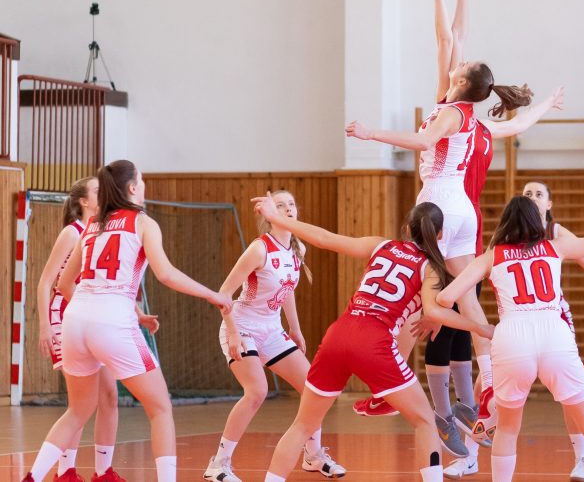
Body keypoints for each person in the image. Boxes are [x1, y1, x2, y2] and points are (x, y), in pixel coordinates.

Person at [345, 0, 562, 459]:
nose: (454, 59)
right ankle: (488, 389)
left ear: (462, 83)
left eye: (459, 67)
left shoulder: (451, 113)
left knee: (407, 293)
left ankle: (387, 387)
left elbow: (424, 143)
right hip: (466, 211)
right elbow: (455, 41)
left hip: (438, 204)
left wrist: (370, 132)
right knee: (466, 300)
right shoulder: (483, 122)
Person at [254, 197, 494, 482]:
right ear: (440, 235)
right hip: (374, 342)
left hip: (338, 335)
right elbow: (434, 310)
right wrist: (480, 328)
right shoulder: (430, 267)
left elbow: (323, 238)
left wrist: (276, 218)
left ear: (406, 228)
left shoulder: (382, 245)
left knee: (303, 425)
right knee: (424, 421)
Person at [21, 160, 232, 482]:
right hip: (112, 322)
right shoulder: (142, 222)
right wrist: (213, 295)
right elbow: (166, 274)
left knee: (78, 410)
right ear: (132, 187)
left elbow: (63, 282)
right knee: (160, 408)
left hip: (75, 320)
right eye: (142, 180)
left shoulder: (93, 225)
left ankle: (32, 477)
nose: (144, 186)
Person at [437, 186, 584, 482]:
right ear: (536, 221)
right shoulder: (555, 246)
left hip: (512, 335)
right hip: (554, 332)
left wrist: (473, 325)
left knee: (508, 429)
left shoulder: (491, 256)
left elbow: (446, 298)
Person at [204, 190, 343, 482]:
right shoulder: (259, 249)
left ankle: (313, 456)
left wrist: (295, 328)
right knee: (256, 392)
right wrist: (232, 333)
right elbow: (223, 294)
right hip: (242, 326)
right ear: (269, 215)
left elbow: (287, 291)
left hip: (272, 328)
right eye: (280, 205)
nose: (288, 209)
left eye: (292, 204)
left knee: (313, 389)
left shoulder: (297, 249)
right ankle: (219, 463)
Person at [35, 176, 155, 482]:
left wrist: (137, 314)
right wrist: (44, 327)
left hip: (93, 318)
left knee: (109, 397)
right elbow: (47, 282)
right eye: (98, 192)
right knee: (81, 405)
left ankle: (103, 471)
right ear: (84, 202)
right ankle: (65, 471)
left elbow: (106, 287)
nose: (105, 194)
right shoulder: (72, 232)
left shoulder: (104, 229)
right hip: (67, 318)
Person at [523, 180, 584, 481]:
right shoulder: (507, 234)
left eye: (538, 194)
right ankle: (470, 455)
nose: (532, 197)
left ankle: (583, 460)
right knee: (486, 382)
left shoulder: (555, 232)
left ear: (549, 205)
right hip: (519, 323)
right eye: (527, 193)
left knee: (570, 393)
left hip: (554, 321)